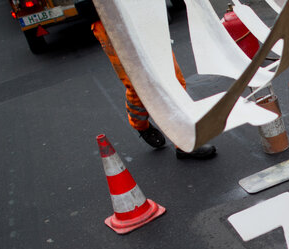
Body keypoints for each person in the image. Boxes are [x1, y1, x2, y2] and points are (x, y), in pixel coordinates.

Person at [80, 2, 216, 159]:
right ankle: (140, 124)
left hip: (141, 15)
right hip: (110, 23)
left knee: (173, 79)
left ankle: (184, 142)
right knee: (138, 85)